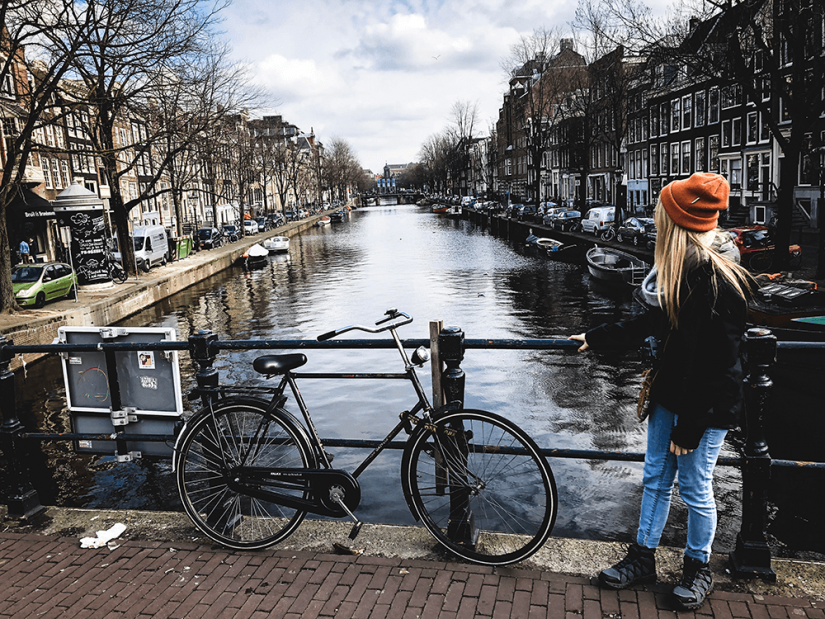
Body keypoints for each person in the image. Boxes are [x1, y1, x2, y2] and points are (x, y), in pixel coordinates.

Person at [569, 173, 751, 612]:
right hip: (672, 393)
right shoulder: (676, 270)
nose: (654, 220)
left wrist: (690, 427)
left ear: (676, 220)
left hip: (704, 406)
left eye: (660, 214)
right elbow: (649, 324)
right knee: (655, 478)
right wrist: (597, 337)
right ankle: (643, 558)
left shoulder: (716, 280)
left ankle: (697, 568)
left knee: (695, 486)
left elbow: (719, 364)